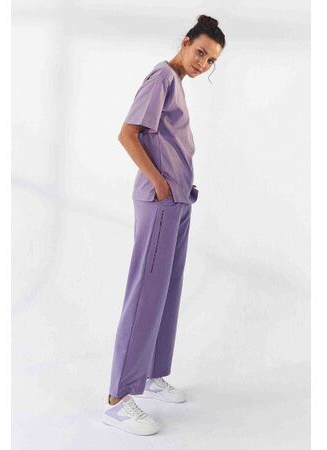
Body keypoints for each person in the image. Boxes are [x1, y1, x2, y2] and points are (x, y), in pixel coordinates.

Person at [102, 14, 225, 436]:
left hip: (178, 201)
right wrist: (158, 182)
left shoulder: (177, 83)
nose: (203, 63)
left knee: (166, 292)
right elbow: (128, 133)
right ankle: (118, 399)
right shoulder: (161, 77)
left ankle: (151, 375)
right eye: (200, 52)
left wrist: (176, 189)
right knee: (145, 295)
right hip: (160, 201)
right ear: (186, 41)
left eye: (211, 60)